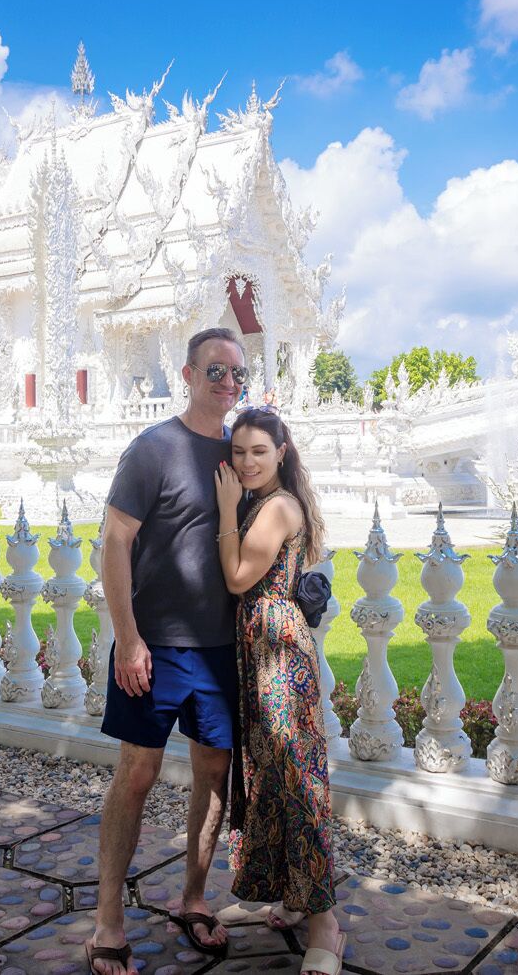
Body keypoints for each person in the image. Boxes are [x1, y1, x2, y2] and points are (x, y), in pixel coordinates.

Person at [86, 327, 246, 974]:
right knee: (139, 774)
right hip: (153, 647)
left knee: (213, 771)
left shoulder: (243, 454)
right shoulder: (154, 449)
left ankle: (194, 896)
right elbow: (114, 541)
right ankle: (106, 919)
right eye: (215, 371)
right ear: (187, 374)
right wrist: (127, 637)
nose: (228, 383)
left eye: (237, 372)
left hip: (219, 647)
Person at [211, 407, 343, 975]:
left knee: (296, 781)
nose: (246, 462)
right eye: (238, 452)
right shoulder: (266, 502)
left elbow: (239, 578)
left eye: (258, 451)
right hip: (259, 645)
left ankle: (326, 927)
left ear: (281, 452)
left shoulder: (278, 506)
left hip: (278, 650)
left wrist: (222, 513)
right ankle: (288, 900)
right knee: (265, 777)